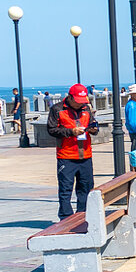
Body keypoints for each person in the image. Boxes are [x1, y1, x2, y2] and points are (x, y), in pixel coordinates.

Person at [46, 84, 99, 219]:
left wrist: (93, 129)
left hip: (86, 154)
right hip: (66, 155)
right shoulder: (57, 109)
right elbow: (51, 130)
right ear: (69, 97)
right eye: (77, 101)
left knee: (86, 188)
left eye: (82, 102)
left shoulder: (86, 108)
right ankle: (65, 218)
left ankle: (83, 215)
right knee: (65, 189)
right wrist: (71, 132)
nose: (79, 105)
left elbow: (94, 124)